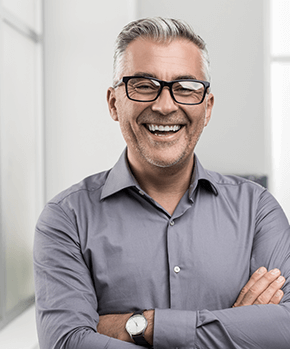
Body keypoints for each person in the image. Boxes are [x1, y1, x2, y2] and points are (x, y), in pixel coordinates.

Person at [33, 17, 290, 349]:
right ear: (114, 103)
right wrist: (234, 330)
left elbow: (285, 328)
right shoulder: (65, 219)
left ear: (207, 107)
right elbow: (67, 342)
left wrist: (143, 325)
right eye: (143, 85)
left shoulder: (258, 210)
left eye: (185, 87)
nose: (165, 105)